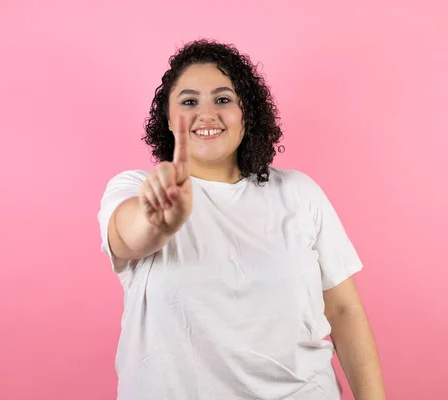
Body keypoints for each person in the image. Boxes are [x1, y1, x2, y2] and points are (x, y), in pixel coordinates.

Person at [97, 39, 386, 400]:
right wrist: (159, 222)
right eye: (189, 102)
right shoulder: (137, 188)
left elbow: (343, 310)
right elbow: (127, 237)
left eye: (223, 99)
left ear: (245, 112)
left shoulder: (299, 192)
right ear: (169, 119)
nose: (206, 114)